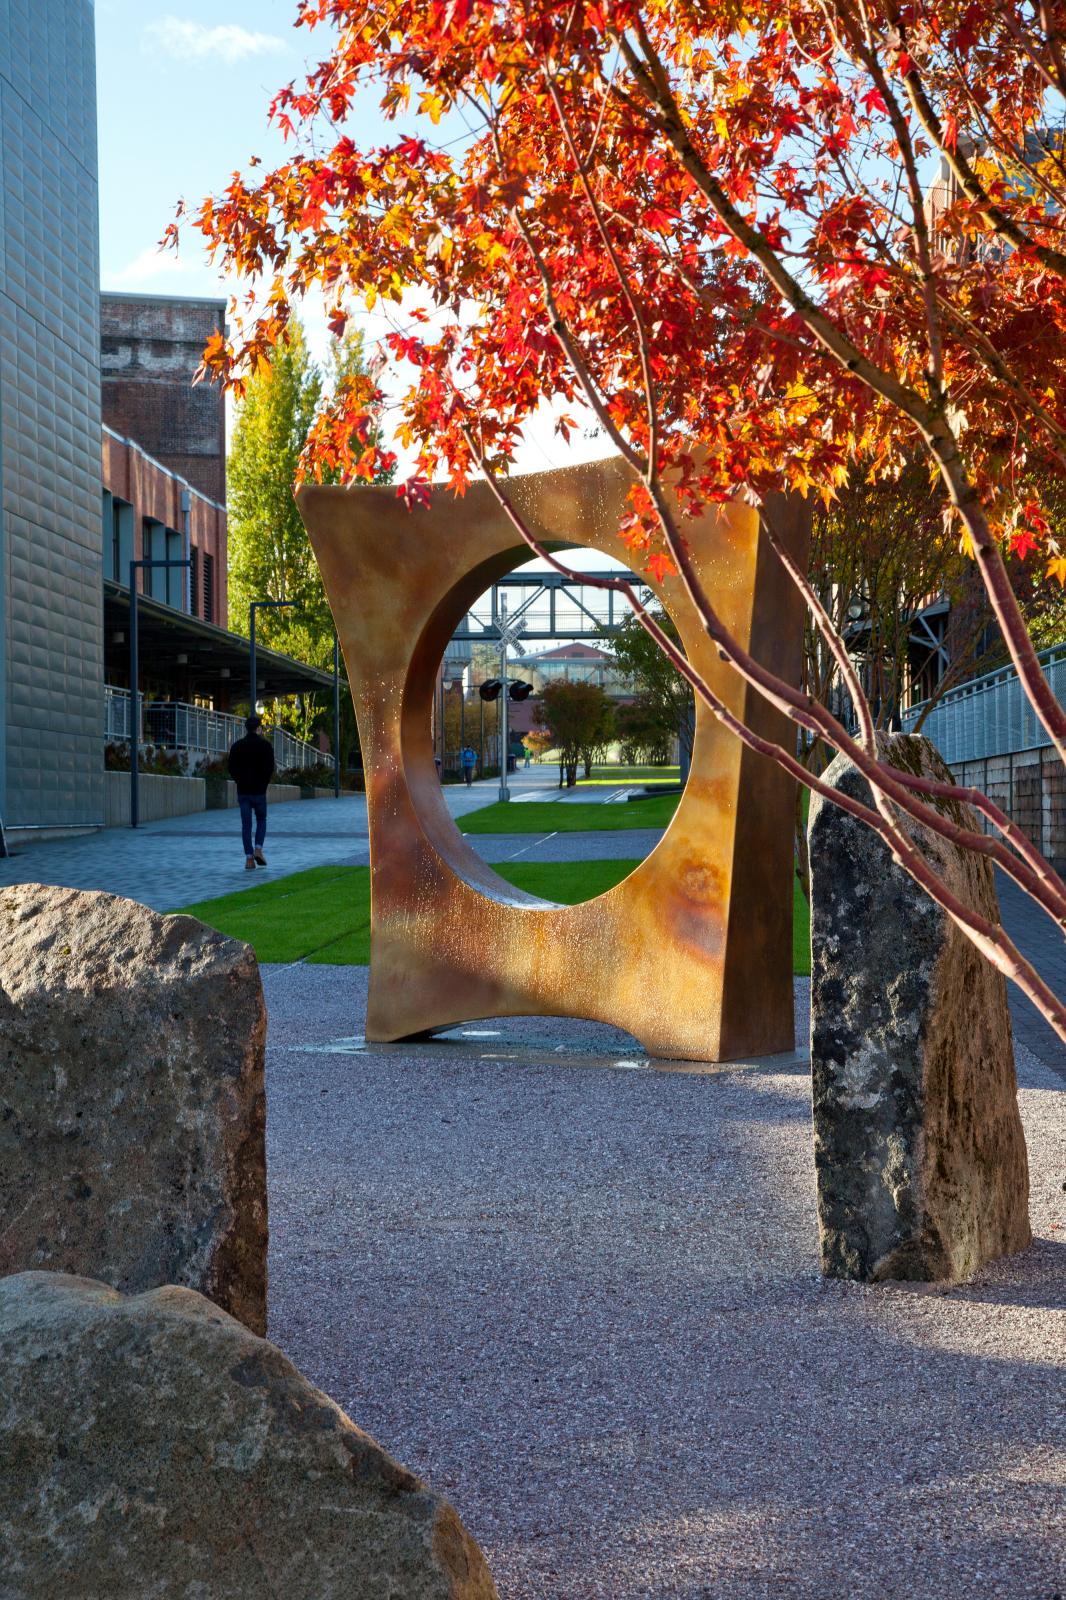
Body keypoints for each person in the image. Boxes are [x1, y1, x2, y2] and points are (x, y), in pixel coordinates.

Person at [228, 714, 275, 870]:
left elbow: (231, 768)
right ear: (259, 728)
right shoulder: (266, 746)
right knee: (261, 820)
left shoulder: (237, 746)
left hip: (243, 791)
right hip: (259, 791)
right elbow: (269, 768)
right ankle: (258, 849)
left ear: (246, 728)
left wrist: (239, 780)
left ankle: (249, 859)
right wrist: (264, 784)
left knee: (246, 825)